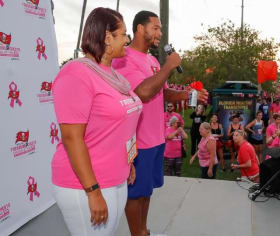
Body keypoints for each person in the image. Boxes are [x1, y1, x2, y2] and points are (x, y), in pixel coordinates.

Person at [112, 10, 208, 236]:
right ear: (139, 29)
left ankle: (143, 230)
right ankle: (137, 233)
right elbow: (142, 92)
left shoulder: (152, 59)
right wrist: (168, 67)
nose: (160, 33)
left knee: (146, 191)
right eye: (155, 28)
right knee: (135, 193)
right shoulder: (124, 57)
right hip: (138, 140)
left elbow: (162, 93)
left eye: (161, 29)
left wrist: (188, 94)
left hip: (155, 138)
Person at [51, 8, 140, 235]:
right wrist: (92, 191)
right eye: (124, 34)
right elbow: (72, 137)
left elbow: (120, 125)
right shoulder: (76, 74)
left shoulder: (115, 76)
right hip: (86, 185)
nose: (128, 40)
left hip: (117, 178)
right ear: (107, 37)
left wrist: (127, 161)